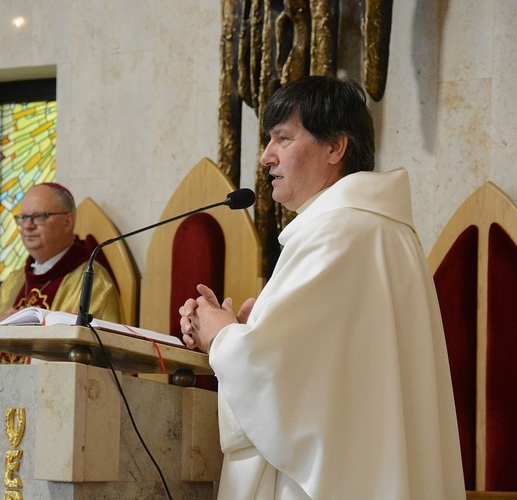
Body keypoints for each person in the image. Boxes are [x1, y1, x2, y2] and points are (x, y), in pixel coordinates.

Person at [179, 76, 465, 499]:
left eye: (283, 138)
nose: (266, 157)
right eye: (268, 140)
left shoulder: (339, 231)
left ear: (335, 147)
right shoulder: (376, 228)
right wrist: (253, 328)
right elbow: (333, 366)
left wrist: (223, 336)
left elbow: (281, 385)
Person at [0, 182, 123, 362]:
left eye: (39, 217)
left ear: (67, 222)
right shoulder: (14, 281)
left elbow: (107, 356)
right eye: (23, 217)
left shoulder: (93, 282)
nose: (27, 226)